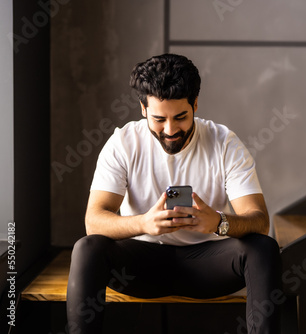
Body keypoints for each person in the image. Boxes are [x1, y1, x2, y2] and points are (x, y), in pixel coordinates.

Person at [66, 53, 282, 333]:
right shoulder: (123, 143)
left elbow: (259, 220)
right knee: (87, 248)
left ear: (195, 104)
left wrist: (219, 223)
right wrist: (144, 223)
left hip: (208, 265)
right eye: (158, 119)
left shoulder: (224, 143)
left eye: (181, 117)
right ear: (143, 108)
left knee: (263, 248)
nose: (170, 130)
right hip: (139, 266)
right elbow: (93, 221)